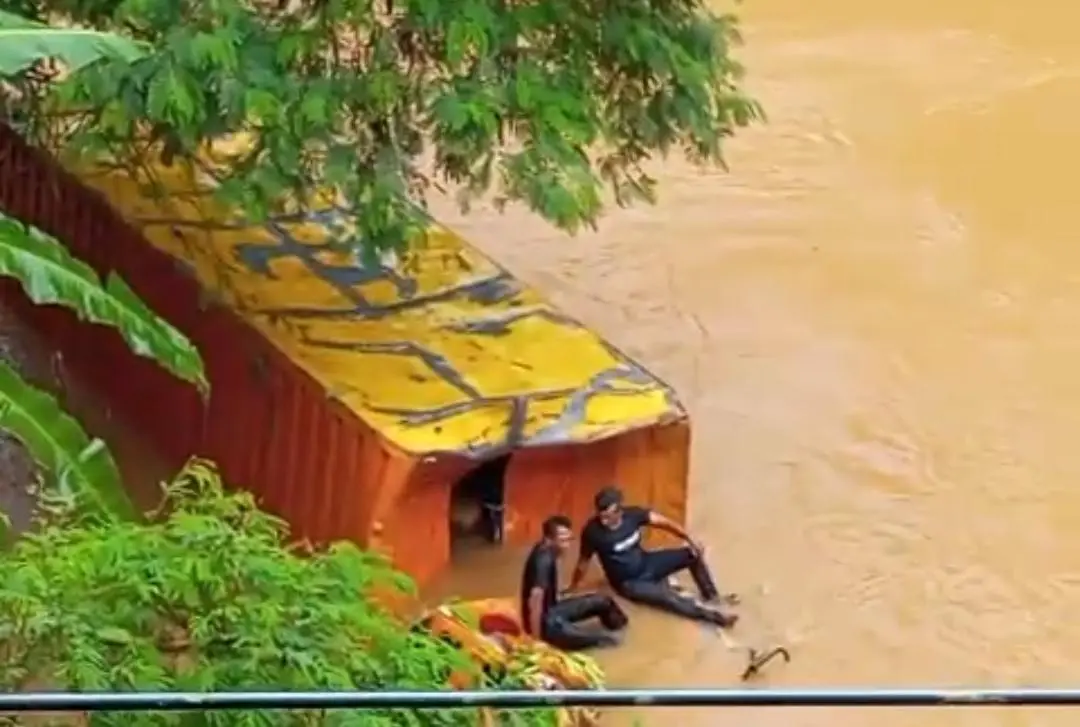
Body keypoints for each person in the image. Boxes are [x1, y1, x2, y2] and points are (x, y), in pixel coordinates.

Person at [567, 486, 738, 628]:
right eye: (601, 516)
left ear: (619, 510)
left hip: (646, 563)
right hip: (629, 583)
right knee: (670, 599)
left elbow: (664, 523)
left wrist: (689, 538)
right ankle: (717, 618)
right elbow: (583, 562)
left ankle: (712, 597)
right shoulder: (592, 532)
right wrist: (573, 587)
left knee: (692, 555)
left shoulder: (633, 515)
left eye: (608, 515)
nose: (603, 520)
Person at [520, 515, 629, 651]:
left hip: (553, 609)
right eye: (563, 541)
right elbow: (535, 600)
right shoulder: (543, 562)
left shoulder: (548, 549)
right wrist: (535, 640)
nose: (568, 545)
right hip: (546, 623)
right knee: (604, 640)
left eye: (569, 539)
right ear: (548, 539)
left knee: (604, 601)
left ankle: (623, 628)